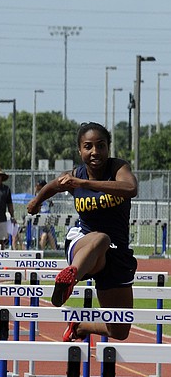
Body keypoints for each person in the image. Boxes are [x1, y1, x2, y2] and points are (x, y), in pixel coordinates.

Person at [27, 122, 138, 342]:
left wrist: (84, 183)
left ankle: (79, 327)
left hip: (116, 253)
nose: (95, 151)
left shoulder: (118, 168)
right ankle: (69, 279)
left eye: (101, 145)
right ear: (80, 150)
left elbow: (131, 188)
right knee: (101, 238)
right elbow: (53, 185)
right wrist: (37, 201)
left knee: (120, 330)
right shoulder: (74, 175)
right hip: (84, 245)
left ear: (108, 148)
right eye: (88, 146)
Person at [33, 179, 58, 250]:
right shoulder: (38, 194)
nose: (36, 187)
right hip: (41, 217)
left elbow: (50, 204)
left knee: (47, 233)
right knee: (46, 234)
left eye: (38, 185)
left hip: (46, 216)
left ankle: (51, 250)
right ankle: (53, 250)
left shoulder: (45, 194)